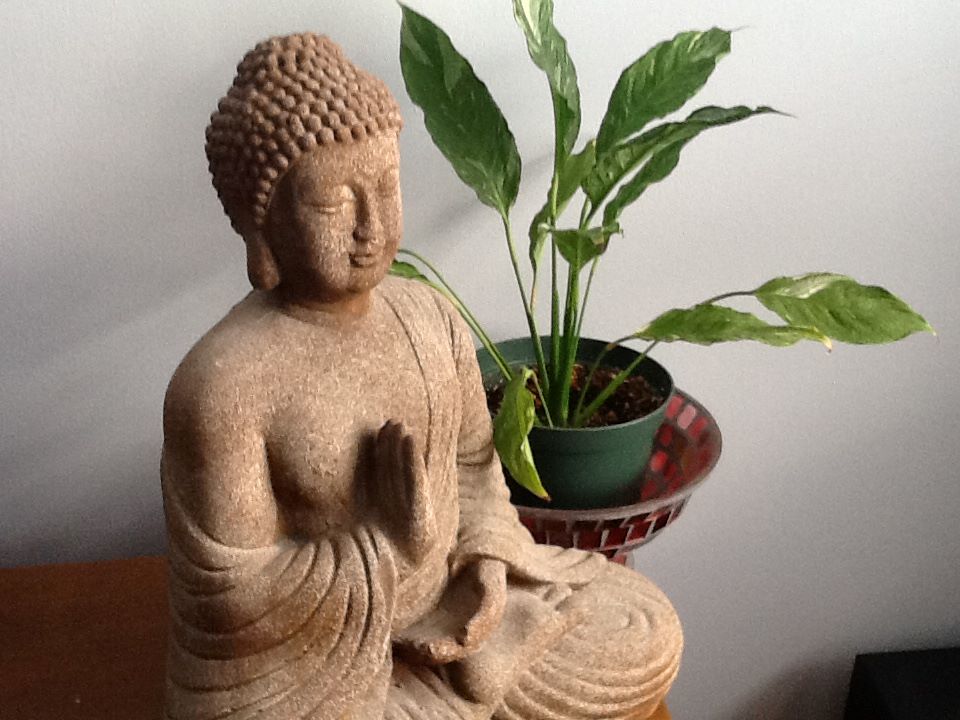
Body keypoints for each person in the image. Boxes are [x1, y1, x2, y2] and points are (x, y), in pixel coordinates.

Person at [161, 33, 681, 720]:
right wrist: (384, 543)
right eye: (333, 204)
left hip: (457, 611)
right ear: (263, 227)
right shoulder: (223, 386)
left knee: (641, 628)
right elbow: (229, 600)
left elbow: (474, 467)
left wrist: (486, 569)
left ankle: (489, 662)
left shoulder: (429, 318)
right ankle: (471, 687)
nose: (372, 225)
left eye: (385, 185)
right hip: (320, 675)